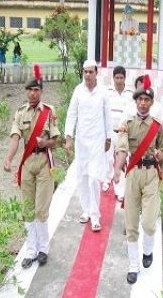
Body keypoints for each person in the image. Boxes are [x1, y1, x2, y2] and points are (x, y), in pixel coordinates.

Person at [3, 64, 60, 269]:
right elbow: (15, 139)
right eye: (30, 90)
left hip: (44, 163)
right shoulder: (20, 113)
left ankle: (43, 248)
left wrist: (46, 143)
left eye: (36, 90)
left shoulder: (49, 112)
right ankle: (30, 249)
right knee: (28, 209)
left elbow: (56, 140)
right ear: (26, 91)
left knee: (41, 209)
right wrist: (9, 159)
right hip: (27, 164)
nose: (33, 93)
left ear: (41, 92)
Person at [113, 75, 163, 284]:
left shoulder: (158, 126)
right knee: (132, 223)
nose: (143, 103)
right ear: (136, 101)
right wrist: (117, 169)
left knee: (149, 223)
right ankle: (133, 265)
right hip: (133, 174)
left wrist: (162, 155)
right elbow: (122, 148)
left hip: (152, 174)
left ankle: (148, 251)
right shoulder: (127, 123)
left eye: (147, 100)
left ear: (151, 102)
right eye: (140, 99)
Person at [64, 59, 112, 232]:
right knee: (82, 176)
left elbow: (108, 116)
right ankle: (86, 210)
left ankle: (95, 215)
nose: (87, 75)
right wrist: (68, 137)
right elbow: (71, 115)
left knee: (94, 177)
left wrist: (108, 138)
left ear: (96, 73)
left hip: (98, 141)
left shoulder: (104, 92)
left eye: (90, 72)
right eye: (85, 72)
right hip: (82, 141)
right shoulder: (78, 91)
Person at [102, 66, 133, 201]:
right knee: (108, 159)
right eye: (116, 77)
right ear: (113, 78)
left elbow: (133, 113)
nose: (119, 80)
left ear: (125, 78)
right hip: (109, 132)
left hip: (123, 133)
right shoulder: (107, 92)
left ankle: (120, 191)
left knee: (122, 162)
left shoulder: (131, 93)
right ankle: (106, 180)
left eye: (121, 78)